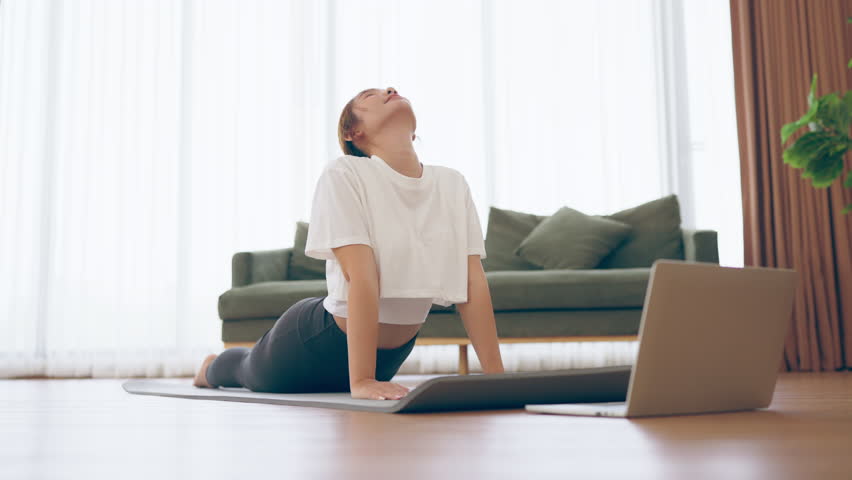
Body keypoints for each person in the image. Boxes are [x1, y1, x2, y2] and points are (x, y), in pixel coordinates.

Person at [193, 86, 504, 399]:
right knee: (246, 369)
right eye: (371, 95)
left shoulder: (451, 184)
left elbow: (472, 282)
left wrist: (497, 378)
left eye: (390, 89)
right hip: (315, 340)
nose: (390, 90)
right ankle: (209, 368)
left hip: (388, 356)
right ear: (354, 131)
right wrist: (363, 380)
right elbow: (362, 275)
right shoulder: (345, 172)